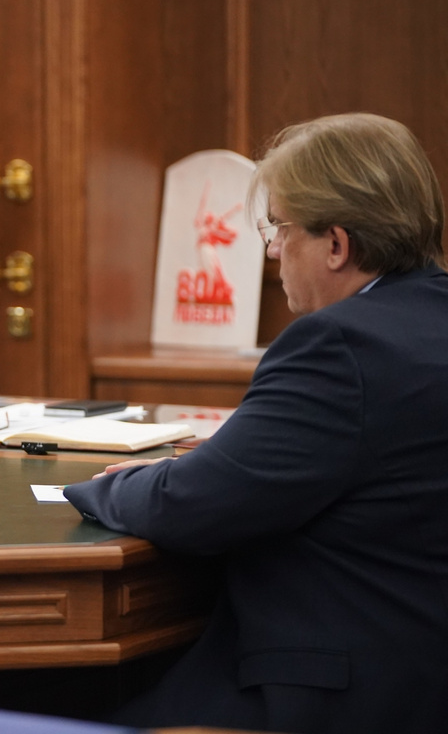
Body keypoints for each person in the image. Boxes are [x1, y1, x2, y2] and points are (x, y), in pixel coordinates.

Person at [64, 112, 448, 733]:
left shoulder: (338, 346)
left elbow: (190, 505)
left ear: (336, 245)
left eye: (279, 228)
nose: (270, 250)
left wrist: (103, 486)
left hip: (331, 697)